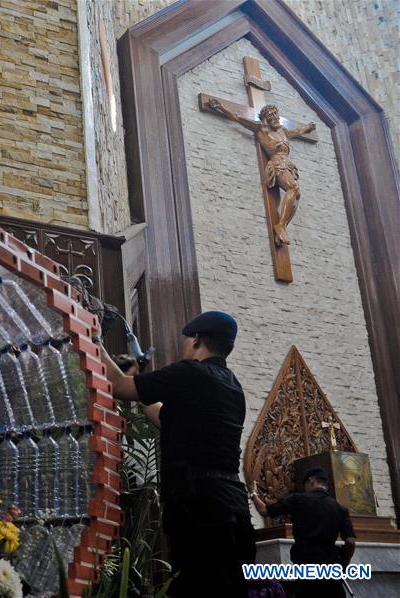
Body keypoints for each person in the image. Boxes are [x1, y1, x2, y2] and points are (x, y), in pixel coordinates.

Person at [98, 310, 255, 597]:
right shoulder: (232, 386)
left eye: (186, 340)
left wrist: (92, 337)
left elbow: (119, 387)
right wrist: (138, 380)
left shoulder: (190, 372)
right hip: (233, 511)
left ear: (196, 339)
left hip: (200, 513)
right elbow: (162, 416)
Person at [207, 99, 315, 247]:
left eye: (277, 116)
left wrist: (308, 127)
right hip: (277, 164)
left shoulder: (282, 131)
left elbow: (297, 131)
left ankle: (281, 228)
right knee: (293, 188)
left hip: (288, 165)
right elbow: (238, 118)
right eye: (272, 116)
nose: (276, 118)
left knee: (297, 195)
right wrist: (221, 108)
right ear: (266, 119)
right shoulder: (261, 129)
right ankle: (281, 226)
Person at [251, 467, 356, 598]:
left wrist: (253, 494)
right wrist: (343, 565)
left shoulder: (298, 499)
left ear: (311, 481)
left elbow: (264, 511)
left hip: (306, 569)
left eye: (305, 484)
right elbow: (350, 542)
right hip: (332, 570)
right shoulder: (340, 509)